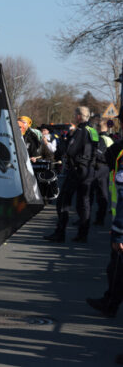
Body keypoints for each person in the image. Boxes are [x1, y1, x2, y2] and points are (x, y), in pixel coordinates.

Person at [86, 108, 123, 320]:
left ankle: (110, 303)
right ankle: (110, 302)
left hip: (120, 222)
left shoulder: (119, 151)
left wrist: (119, 232)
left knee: (117, 268)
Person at [44, 107, 98, 243]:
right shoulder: (93, 130)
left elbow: (70, 150)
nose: (74, 116)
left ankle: (60, 232)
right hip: (89, 169)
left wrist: (65, 142)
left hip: (77, 169)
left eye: (75, 114)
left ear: (79, 116)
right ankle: (82, 234)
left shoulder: (80, 131)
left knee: (63, 201)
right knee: (83, 203)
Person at [91, 118, 113, 226]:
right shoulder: (109, 139)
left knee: (101, 195)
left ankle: (100, 219)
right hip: (108, 169)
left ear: (99, 128)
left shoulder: (101, 139)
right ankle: (100, 218)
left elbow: (100, 155)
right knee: (102, 194)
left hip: (101, 169)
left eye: (96, 127)